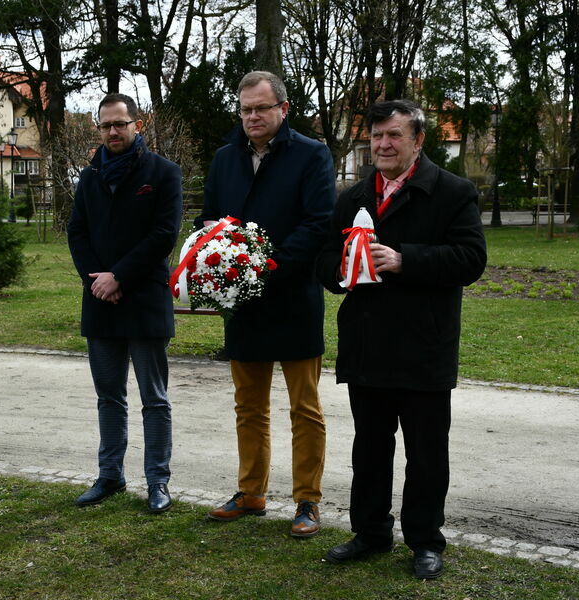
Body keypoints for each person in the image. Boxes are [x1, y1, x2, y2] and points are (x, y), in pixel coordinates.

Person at [315, 99, 486, 578]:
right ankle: (370, 533)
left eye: (394, 136)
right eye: (376, 137)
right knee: (369, 450)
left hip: (423, 346)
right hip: (367, 344)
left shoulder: (453, 192)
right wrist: (341, 271)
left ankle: (425, 541)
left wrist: (405, 259)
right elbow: (323, 260)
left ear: (419, 140)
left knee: (426, 456)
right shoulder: (352, 197)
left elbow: (471, 260)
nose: (383, 145)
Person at [196, 71, 335, 537]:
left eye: (261, 108)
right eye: (245, 109)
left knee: (305, 408)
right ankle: (251, 490)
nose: (252, 117)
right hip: (244, 303)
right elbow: (207, 218)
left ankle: (307, 501)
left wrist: (266, 268)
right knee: (248, 406)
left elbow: (318, 224)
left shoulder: (312, 154)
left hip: (293, 295)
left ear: (283, 109)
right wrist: (215, 250)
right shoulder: (224, 159)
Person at [67, 93, 182, 514]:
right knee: (109, 397)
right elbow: (77, 232)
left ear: (138, 124)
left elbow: (164, 234)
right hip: (100, 301)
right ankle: (110, 475)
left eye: (120, 123)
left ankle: (158, 481)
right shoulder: (89, 176)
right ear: (98, 129)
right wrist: (98, 280)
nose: (113, 132)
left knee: (154, 398)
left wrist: (120, 276)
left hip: (145, 299)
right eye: (105, 125)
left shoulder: (164, 173)